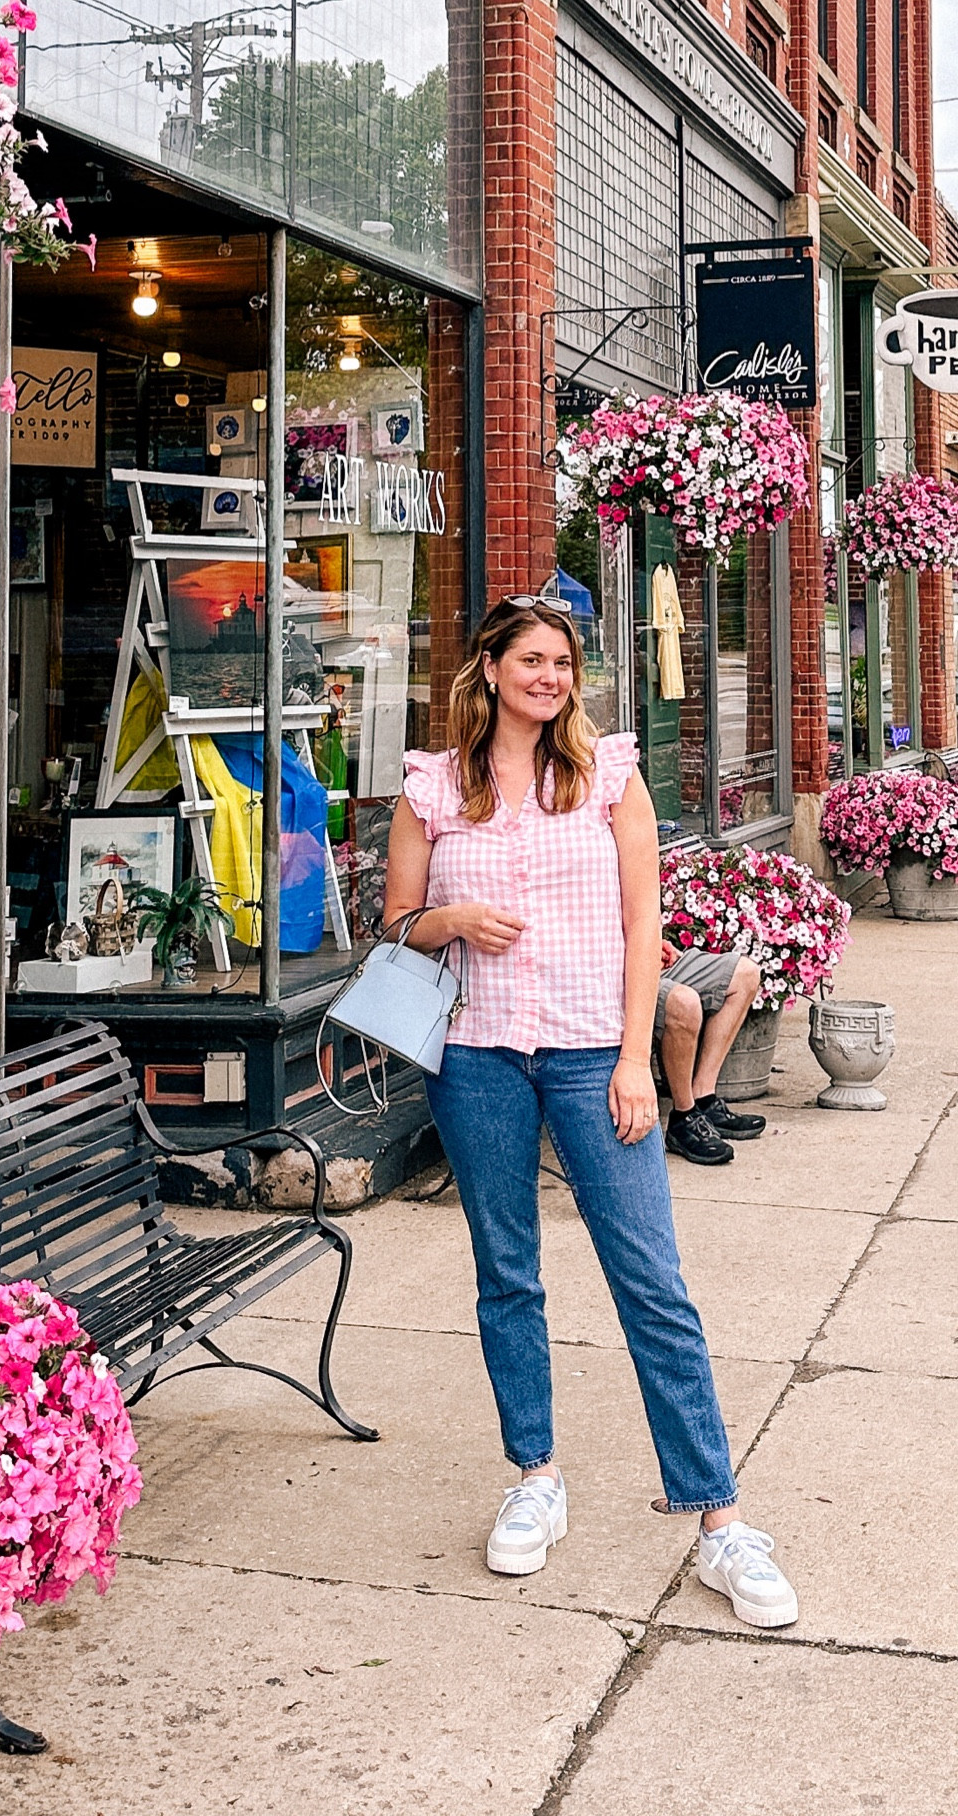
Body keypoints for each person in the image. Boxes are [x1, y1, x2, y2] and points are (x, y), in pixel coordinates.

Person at [383, 595, 796, 1628]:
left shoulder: (607, 775)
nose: (549, 676)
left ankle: (720, 1519)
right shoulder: (432, 789)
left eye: (561, 660)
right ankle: (535, 1473)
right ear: (486, 669)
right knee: (506, 1273)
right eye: (529, 658)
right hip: (474, 1062)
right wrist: (451, 917)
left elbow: (644, 926)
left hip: (587, 1058)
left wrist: (631, 1064)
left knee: (652, 1281)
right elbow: (394, 931)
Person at [655, 941, 767, 1166]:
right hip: (616, 972)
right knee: (684, 1003)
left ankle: (703, 1097)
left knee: (745, 974)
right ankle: (683, 1116)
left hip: (647, 958)